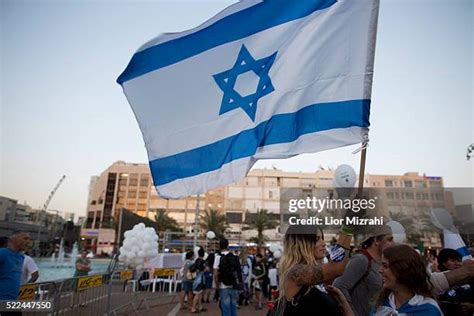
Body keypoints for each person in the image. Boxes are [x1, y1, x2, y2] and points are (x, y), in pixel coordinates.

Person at [273, 224, 353, 316]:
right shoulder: (296, 273)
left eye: (322, 238)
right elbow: (336, 268)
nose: (323, 243)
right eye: (316, 239)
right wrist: (348, 227)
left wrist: (342, 302)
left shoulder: (320, 284)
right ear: (300, 244)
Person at [333, 225, 394, 316]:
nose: (393, 243)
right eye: (389, 239)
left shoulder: (381, 262)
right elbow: (339, 285)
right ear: (376, 241)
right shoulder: (361, 260)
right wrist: (351, 312)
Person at [372, 244, 442, 315]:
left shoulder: (428, 309)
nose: (380, 270)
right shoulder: (381, 305)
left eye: (385, 266)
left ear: (402, 269)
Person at [437, 248, 474, 315]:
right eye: (453, 260)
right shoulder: (436, 283)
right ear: (443, 263)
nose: (457, 263)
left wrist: (472, 307)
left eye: (459, 260)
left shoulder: (470, 278)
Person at [214, 238, 242, 316]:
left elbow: (215, 274)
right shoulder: (235, 257)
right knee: (234, 307)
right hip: (234, 285)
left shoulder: (218, 257)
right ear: (228, 245)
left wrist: (217, 286)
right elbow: (239, 271)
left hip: (223, 285)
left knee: (226, 309)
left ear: (220, 246)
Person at [0, 231, 30, 300]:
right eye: (25, 238)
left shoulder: (21, 257)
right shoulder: (2, 253)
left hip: (13, 300)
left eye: (28, 239)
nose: (28, 241)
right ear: (13, 239)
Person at [191, 247, 207, 313]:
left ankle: (200, 307)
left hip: (196, 279)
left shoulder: (196, 260)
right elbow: (204, 269)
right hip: (200, 279)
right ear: (203, 255)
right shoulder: (202, 261)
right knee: (197, 294)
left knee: (199, 294)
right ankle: (193, 308)